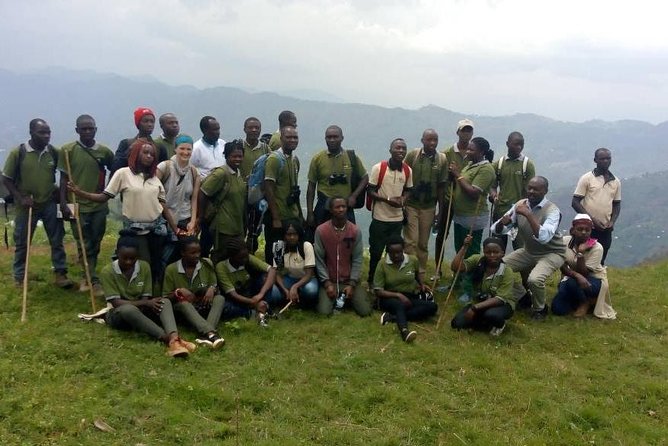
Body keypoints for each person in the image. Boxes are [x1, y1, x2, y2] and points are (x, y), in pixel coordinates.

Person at [69, 140, 180, 292]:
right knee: (143, 263)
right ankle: (138, 293)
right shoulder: (123, 174)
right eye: (145, 153)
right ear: (136, 154)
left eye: (152, 155)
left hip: (157, 229)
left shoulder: (155, 179)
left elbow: (163, 206)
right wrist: (80, 193)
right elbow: (104, 197)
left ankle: (155, 294)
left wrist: (175, 229)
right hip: (136, 229)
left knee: (157, 263)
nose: (149, 157)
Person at [101, 230, 195, 358]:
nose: (129, 262)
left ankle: (174, 337)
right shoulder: (107, 271)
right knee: (128, 309)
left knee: (164, 301)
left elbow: (146, 295)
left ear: (138, 255)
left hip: (141, 310)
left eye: (132, 258)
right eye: (125, 258)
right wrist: (145, 302)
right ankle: (169, 340)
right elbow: (116, 302)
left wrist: (147, 303)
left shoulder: (144, 267)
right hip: (119, 315)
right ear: (117, 254)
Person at [3, 118, 73, 288]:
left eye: (48, 132)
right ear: (31, 133)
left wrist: (63, 201)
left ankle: (60, 273)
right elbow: (6, 178)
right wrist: (20, 198)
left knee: (57, 239)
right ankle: (19, 276)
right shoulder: (18, 153)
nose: (46, 136)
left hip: (48, 202)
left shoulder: (53, 152)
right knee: (22, 241)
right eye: (42, 132)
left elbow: (64, 174)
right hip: (27, 205)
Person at [491, 176, 566, 320]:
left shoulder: (552, 210)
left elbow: (544, 237)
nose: (531, 192)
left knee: (534, 279)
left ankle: (540, 309)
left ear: (545, 191)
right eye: (529, 188)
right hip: (529, 250)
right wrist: (502, 223)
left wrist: (528, 214)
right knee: (497, 268)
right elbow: (496, 229)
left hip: (552, 252)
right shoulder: (520, 204)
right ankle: (523, 297)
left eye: (536, 189)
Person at [58, 115, 114, 296]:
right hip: (76, 204)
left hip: (98, 205)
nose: (87, 132)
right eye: (84, 129)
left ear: (96, 129)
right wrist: (63, 203)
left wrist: (107, 190)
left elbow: (115, 170)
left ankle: (91, 272)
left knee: (95, 242)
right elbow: (63, 178)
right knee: (83, 242)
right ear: (77, 130)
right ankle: (89, 279)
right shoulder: (68, 150)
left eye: (91, 128)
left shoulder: (104, 151)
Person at [450, 235, 523, 336]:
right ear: (484, 252)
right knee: (456, 323)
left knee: (491, 315)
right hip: (480, 302)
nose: (492, 255)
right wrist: (464, 247)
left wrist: (474, 308)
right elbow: (455, 267)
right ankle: (483, 322)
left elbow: (499, 299)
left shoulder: (507, 271)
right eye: (488, 252)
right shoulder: (477, 260)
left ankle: (500, 324)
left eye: (496, 252)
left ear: (502, 253)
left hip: (501, 304)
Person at [163, 237, 225, 348]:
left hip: (202, 305)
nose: (197, 255)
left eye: (198, 252)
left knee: (220, 298)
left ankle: (205, 335)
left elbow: (214, 285)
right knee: (184, 304)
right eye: (192, 253)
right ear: (182, 253)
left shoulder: (206, 264)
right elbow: (165, 297)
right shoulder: (171, 269)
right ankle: (211, 333)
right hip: (183, 310)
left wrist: (212, 288)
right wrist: (178, 291)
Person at [314, 196, 371, 317]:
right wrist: (327, 283)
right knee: (323, 312)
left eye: (343, 207)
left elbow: (357, 259)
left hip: (348, 280)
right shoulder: (321, 231)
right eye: (337, 207)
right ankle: (337, 298)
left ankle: (346, 297)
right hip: (330, 281)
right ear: (330, 210)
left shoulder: (355, 231)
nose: (341, 210)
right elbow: (319, 260)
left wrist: (352, 283)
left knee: (365, 311)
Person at [366, 138, 413, 285]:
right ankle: (372, 280)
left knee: (393, 254)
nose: (401, 151)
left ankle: (389, 281)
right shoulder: (379, 168)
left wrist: (403, 200)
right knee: (376, 252)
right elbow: (371, 190)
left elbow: (409, 190)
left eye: (403, 148)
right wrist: (387, 200)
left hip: (397, 220)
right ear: (390, 150)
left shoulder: (407, 170)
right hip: (380, 219)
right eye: (397, 148)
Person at [551, 214, 616, 319]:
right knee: (558, 309)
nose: (584, 233)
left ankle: (585, 302)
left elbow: (584, 273)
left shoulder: (597, 247)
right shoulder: (564, 242)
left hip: (594, 280)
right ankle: (584, 300)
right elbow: (561, 265)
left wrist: (580, 254)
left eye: (587, 230)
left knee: (572, 282)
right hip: (572, 278)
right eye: (580, 229)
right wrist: (575, 274)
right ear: (572, 230)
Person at [375, 235, 437, 343]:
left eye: (399, 252)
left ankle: (392, 318)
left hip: (409, 295)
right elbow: (378, 291)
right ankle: (404, 332)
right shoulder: (382, 264)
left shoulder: (412, 260)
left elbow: (416, 274)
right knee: (400, 305)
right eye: (392, 253)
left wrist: (421, 284)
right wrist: (398, 296)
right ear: (388, 252)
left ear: (403, 249)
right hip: (388, 297)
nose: (396, 255)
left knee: (432, 307)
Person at [306, 125, 368, 229]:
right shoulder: (318, 159)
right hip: (324, 206)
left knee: (349, 237)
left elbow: (365, 177)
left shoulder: (351, 157)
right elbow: (311, 187)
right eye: (329, 137)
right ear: (325, 138)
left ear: (342, 138)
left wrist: (354, 196)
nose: (332, 140)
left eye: (335, 137)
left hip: (345, 206)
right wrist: (310, 213)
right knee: (320, 238)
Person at [434, 118, 474, 278]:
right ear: (458, 132)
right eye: (463, 130)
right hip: (448, 200)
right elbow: (441, 179)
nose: (466, 133)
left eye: (469, 130)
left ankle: (462, 270)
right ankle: (437, 269)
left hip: (466, 203)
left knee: (464, 237)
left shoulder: (474, 153)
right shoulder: (447, 153)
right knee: (442, 234)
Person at [403, 129, 447, 274]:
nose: (432, 143)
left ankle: (420, 273)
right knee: (411, 241)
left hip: (429, 207)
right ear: (422, 140)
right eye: (429, 140)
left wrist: (440, 211)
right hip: (411, 205)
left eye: (435, 140)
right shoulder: (413, 156)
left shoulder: (441, 159)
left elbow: (441, 186)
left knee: (423, 243)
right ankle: (408, 271)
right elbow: (403, 176)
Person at [199, 140, 246, 263]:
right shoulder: (221, 173)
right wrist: (201, 217)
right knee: (221, 257)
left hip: (237, 225)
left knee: (236, 258)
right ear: (226, 156)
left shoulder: (238, 173)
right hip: (223, 226)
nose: (237, 159)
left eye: (240, 156)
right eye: (234, 156)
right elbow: (203, 192)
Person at [156, 134, 200, 266]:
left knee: (183, 255)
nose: (185, 152)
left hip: (184, 219)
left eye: (189, 149)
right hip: (164, 219)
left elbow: (194, 199)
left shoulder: (193, 172)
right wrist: (173, 226)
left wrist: (192, 221)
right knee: (164, 256)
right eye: (182, 148)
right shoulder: (164, 168)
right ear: (175, 149)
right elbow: (157, 196)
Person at [448, 136, 496, 256]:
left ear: (482, 152)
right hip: (460, 215)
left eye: (471, 150)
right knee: (459, 248)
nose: (468, 152)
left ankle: (471, 274)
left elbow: (474, 192)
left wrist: (457, 174)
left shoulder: (486, 169)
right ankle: (459, 274)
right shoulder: (470, 164)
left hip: (473, 217)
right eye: (468, 149)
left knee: (470, 251)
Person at [572, 148, 621, 264]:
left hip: (605, 228)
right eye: (602, 158)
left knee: (601, 257)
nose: (605, 161)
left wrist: (612, 222)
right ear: (595, 160)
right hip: (587, 228)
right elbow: (575, 202)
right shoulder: (587, 178)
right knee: (580, 256)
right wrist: (592, 220)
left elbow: (617, 204)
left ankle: (597, 280)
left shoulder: (616, 181)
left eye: (608, 158)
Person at [489, 131, 536, 251]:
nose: (519, 147)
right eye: (516, 144)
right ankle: (499, 270)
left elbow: (531, 191)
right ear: (507, 144)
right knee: (497, 248)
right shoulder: (499, 164)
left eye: (521, 144)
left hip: (520, 214)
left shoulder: (527, 165)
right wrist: (493, 195)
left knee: (521, 249)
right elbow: (492, 185)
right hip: (501, 212)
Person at [216, 238, 278, 327]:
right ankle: (254, 312)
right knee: (224, 307)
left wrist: (261, 294)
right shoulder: (221, 267)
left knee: (264, 279)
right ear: (231, 257)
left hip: (251, 293)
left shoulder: (247, 258)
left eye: (246, 256)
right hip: (235, 299)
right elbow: (233, 294)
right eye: (241, 258)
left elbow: (272, 270)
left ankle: (263, 308)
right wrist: (253, 303)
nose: (245, 259)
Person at [263, 125, 302, 263]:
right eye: (288, 137)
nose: (292, 140)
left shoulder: (294, 159)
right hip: (278, 215)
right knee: (275, 252)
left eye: (295, 137)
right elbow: (268, 187)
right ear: (281, 139)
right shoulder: (274, 159)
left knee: (289, 252)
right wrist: (275, 217)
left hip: (291, 215)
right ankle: (272, 281)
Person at [191, 116, 226, 257]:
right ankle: (202, 258)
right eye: (214, 129)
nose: (218, 132)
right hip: (206, 196)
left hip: (223, 195)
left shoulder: (223, 144)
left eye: (218, 129)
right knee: (207, 230)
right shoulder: (196, 148)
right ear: (205, 130)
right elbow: (192, 172)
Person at [271, 220, 319, 309]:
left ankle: (301, 299)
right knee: (274, 293)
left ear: (299, 234)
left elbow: (309, 274)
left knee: (311, 291)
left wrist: (295, 287)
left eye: (295, 234)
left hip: (306, 280)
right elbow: (276, 273)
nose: (292, 237)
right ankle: (289, 296)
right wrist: (284, 290)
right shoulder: (279, 247)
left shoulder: (306, 246)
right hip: (289, 279)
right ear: (284, 235)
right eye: (288, 234)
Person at [240, 117, 270, 254]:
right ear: (244, 129)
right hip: (240, 193)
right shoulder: (238, 146)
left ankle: (251, 252)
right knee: (241, 225)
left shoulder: (265, 148)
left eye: (257, 128)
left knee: (255, 229)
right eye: (251, 127)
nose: (254, 130)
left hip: (259, 195)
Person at [110, 107, 166, 176]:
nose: (150, 124)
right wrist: (130, 151)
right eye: (146, 121)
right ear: (138, 123)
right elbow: (115, 168)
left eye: (152, 121)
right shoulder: (126, 143)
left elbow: (164, 171)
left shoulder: (159, 147)